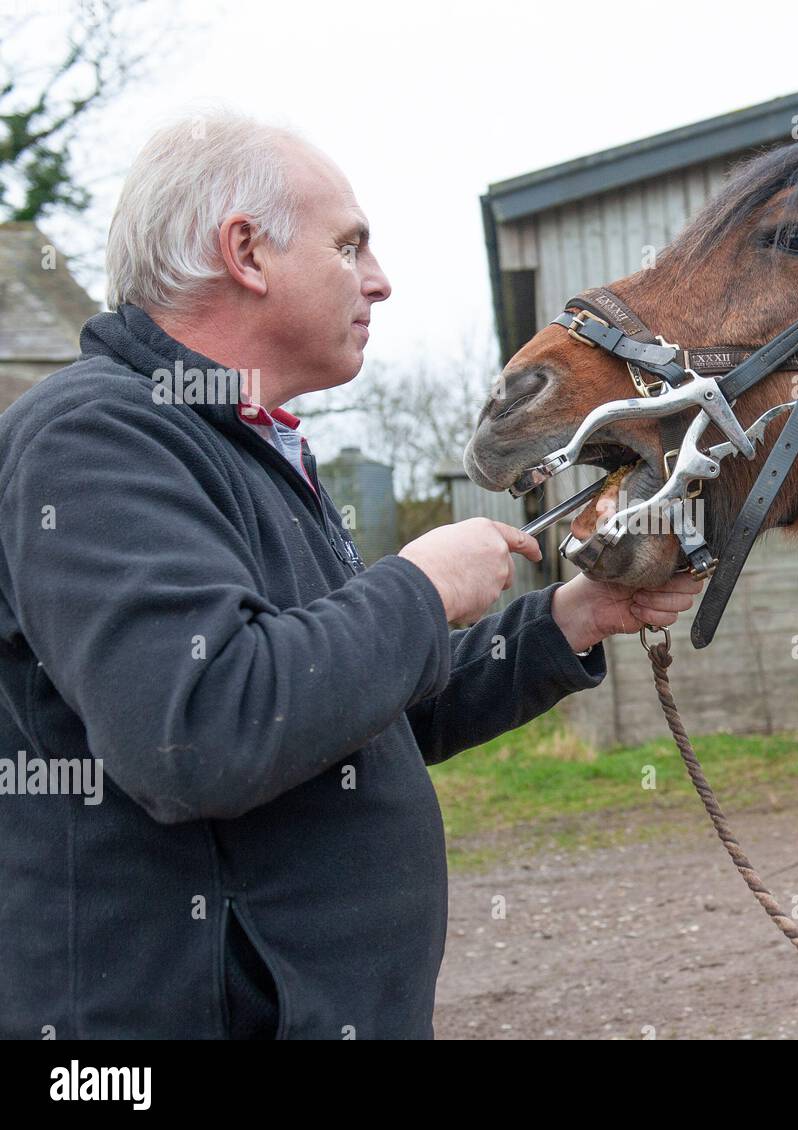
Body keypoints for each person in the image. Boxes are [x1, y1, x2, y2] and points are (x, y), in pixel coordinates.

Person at [0, 112, 701, 1038]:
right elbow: (199, 732)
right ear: (245, 252)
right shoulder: (95, 437)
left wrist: (572, 616)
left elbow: (355, 710)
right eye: (349, 245)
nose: (381, 280)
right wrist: (418, 588)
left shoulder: (249, 448)